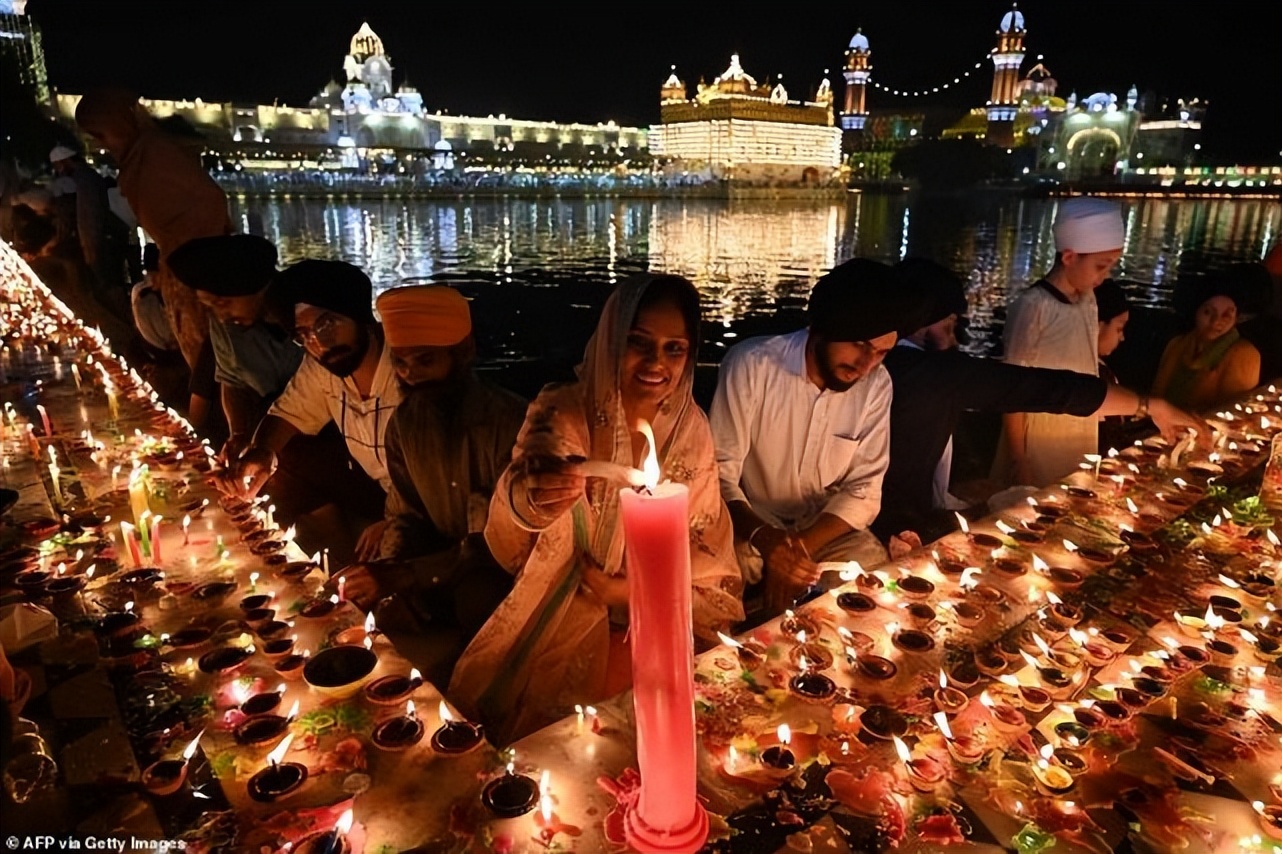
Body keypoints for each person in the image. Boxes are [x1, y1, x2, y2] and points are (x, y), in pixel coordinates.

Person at [448, 274, 744, 744]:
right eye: (637, 342)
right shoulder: (563, 410)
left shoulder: (692, 429)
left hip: (661, 608)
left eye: (674, 349)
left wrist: (634, 593)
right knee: (574, 739)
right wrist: (536, 497)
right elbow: (532, 477)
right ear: (609, 340)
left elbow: (704, 543)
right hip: (567, 609)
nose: (656, 363)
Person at [875, 261, 1204, 544]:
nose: (954, 340)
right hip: (891, 523)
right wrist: (1148, 404)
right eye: (948, 326)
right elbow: (1042, 388)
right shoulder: (927, 372)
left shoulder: (890, 363)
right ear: (918, 321)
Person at [327, 286, 527, 682]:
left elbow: (505, 543)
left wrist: (407, 576)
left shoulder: (513, 424)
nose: (410, 375)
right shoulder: (404, 425)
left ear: (464, 352)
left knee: (478, 599)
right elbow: (405, 515)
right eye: (400, 363)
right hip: (435, 563)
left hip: (501, 569)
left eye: (425, 360)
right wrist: (386, 574)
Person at [710, 258, 919, 616]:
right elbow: (717, 475)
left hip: (820, 529)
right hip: (750, 525)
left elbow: (865, 492)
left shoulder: (876, 385)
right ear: (821, 327)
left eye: (882, 352)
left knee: (870, 566)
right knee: (723, 578)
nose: (866, 365)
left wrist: (797, 552)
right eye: (858, 344)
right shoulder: (753, 365)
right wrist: (767, 540)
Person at [213, 261, 393, 562]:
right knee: (284, 465)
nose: (320, 344)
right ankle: (335, 554)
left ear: (359, 315)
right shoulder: (322, 368)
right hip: (377, 488)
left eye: (327, 324)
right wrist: (262, 452)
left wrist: (398, 519)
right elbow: (287, 414)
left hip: (426, 505)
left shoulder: (407, 367)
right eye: (305, 334)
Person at [75, 87, 230, 373]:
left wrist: (186, 248)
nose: (101, 144)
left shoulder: (155, 153)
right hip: (178, 269)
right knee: (198, 355)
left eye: (101, 134)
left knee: (212, 356)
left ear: (118, 123)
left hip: (197, 271)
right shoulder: (139, 155)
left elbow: (211, 200)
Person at [993, 197, 1124, 488]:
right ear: (1069, 257)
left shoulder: (1088, 300)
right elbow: (1011, 387)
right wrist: (1020, 458)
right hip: (1038, 435)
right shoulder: (1033, 305)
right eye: (1101, 266)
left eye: (1112, 266)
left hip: (1079, 427)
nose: (1105, 277)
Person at [167, 234, 302, 461]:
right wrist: (238, 434)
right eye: (211, 307)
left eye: (223, 303)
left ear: (259, 286)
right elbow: (232, 381)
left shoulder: (308, 317)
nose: (221, 316)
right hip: (268, 438)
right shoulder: (226, 327)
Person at [1152, 276, 1262, 412]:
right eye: (1208, 312)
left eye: (1227, 314)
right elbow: (1156, 396)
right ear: (1195, 311)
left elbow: (1231, 413)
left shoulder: (1244, 354)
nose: (1216, 321)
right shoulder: (1177, 344)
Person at [49, 145, 126, 292]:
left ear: (65, 161)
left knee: (102, 275)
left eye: (57, 165)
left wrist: (89, 243)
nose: (58, 169)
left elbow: (89, 213)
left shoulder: (84, 178)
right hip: (99, 232)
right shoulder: (86, 176)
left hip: (95, 234)